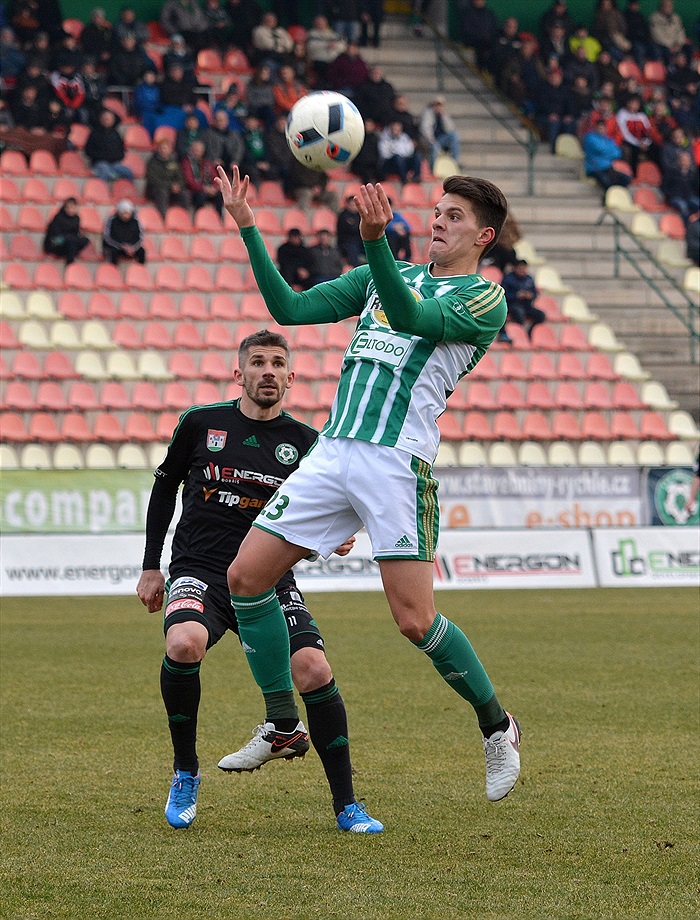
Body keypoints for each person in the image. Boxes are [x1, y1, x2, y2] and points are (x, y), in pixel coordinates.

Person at [213, 164, 522, 806]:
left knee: (414, 620)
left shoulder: (482, 299)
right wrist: (248, 226)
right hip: (333, 451)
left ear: (483, 237)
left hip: (396, 463)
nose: (439, 220)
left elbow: (410, 318)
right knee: (245, 578)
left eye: (456, 216)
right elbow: (289, 309)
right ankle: (280, 723)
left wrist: (375, 241)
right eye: (438, 210)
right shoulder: (384, 275)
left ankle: (497, 726)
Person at [136, 329, 383, 834]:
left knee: (314, 669)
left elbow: (334, 503)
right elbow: (164, 491)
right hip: (200, 569)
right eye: (257, 362)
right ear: (240, 372)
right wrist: (150, 565)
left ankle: (348, 806)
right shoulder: (202, 424)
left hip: (267, 576)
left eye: (276, 364)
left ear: (291, 377)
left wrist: (337, 535)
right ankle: (185, 773)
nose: (267, 371)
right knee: (184, 643)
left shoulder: (305, 443)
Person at [145, 136, 192, 216]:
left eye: (166, 148)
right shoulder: (152, 162)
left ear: (170, 150)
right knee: (162, 193)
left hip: (172, 190)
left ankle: (184, 216)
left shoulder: (174, 162)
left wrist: (178, 186)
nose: (164, 150)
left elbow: (180, 177)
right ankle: (163, 217)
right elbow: (154, 180)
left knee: (185, 194)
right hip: (156, 190)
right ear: (158, 149)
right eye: (162, 148)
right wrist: (170, 186)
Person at [84, 107, 134, 182]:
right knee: (105, 170)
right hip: (99, 162)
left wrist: (116, 157)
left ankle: (129, 192)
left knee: (128, 172)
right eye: (105, 118)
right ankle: (101, 191)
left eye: (109, 118)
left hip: (114, 163)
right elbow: (88, 151)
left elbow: (121, 151)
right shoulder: (94, 133)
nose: (107, 120)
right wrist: (102, 156)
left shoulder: (116, 134)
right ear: (101, 119)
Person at [501, 259, 545, 339]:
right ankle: (518, 334)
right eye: (520, 268)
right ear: (515, 268)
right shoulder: (508, 278)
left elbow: (534, 293)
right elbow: (503, 294)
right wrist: (516, 295)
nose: (522, 270)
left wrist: (530, 295)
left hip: (526, 305)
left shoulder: (529, 279)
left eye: (524, 268)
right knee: (519, 313)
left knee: (541, 315)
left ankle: (530, 332)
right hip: (513, 305)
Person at [583, 119, 632, 192]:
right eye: (599, 128)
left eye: (603, 128)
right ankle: (607, 199)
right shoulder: (590, 137)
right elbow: (600, 149)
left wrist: (605, 153)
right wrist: (609, 152)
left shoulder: (609, 139)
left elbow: (617, 153)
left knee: (626, 179)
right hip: (594, 168)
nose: (601, 130)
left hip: (607, 168)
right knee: (607, 182)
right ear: (595, 128)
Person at [181, 139, 224, 216]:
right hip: (195, 190)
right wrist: (204, 188)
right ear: (191, 150)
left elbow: (214, 176)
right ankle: (199, 217)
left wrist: (214, 187)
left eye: (199, 150)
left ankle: (219, 218)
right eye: (195, 150)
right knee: (200, 196)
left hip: (208, 189)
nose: (197, 153)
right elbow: (189, 181)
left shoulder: (206, 162)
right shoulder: (186, 162)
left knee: (219, 195)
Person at [43, 197, 89, 264]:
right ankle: (70, 263)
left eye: (73, 207)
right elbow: (54, 235)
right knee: (70, 240)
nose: (71, 210)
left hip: (70, 242)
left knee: (83, 240)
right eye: (69, 207)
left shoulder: (76, 219)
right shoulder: (58, 218)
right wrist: (67, 237)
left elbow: (75, 233)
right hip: (55, 242)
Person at [419, 95, 461, 171]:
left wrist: (443, 116)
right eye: (437, 105)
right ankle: (432, 169)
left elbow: (450, 129)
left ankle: (455, 162)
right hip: (428, 141)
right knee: (434, 147)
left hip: (440, 140)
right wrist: (433, 142)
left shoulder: (443, 115)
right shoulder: (427, 114)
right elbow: (425, 130)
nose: (439, 107)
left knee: (454, 135)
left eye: (441, 105)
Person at [102, 199, 145, 265]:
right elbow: (107, 237)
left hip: (131, 246)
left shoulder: (135, 221)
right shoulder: (112, 220)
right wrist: (122, 246)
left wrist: (133, 247)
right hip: (116, 245)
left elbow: (140, 237)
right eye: (123, 213)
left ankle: (140, 271)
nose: (125, 215)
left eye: (127, 213)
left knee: (142, 252)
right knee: (113, 252)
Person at [377, 120, 421, 184]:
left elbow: (410, 151)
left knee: (417, 155)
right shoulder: (384, 137)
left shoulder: (404, 137)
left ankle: (416, 177)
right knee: (397, 157)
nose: (396, 131)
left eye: (398, 129)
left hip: (403, 161)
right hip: (389, 163)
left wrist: (397, 152)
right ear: (391, 128)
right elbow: (384, 154)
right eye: (395, 129)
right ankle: (404, 179)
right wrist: (398, 153)